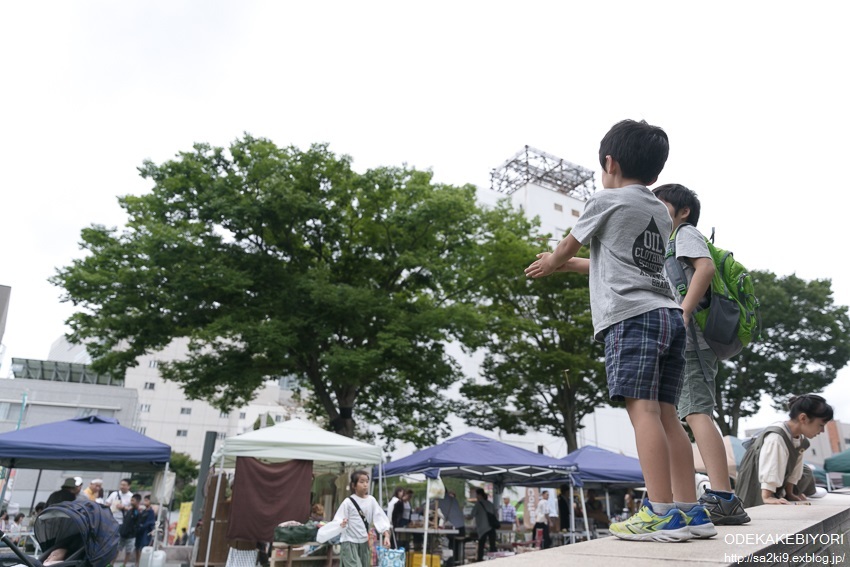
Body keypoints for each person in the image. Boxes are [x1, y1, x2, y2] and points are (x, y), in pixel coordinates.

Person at [525, 119, 714, 543]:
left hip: (630, 317)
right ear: (655, 172)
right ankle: (690, 511)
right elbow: (621, 259)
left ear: (609, 163)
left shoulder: (603, 200)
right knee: (668, 415)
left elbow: (568, 244)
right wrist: (572, 266)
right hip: (667, 314)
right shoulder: (658, 211)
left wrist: (554, 262)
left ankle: (660, 512)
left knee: (642, 411)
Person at [653, 183, 751, 526]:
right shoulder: (665, 244)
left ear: (683, 212)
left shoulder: (684, 233)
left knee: (696, 413)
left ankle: (723, 498)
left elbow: (705, 269)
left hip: (692, 342)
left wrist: (683, 311)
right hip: (686, 342)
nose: (652, 207)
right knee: (690, 414)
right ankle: (718, 496)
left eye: (659, 203)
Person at [737, 394, 833, 507]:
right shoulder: (777, 437)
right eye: (820, 425)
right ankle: (766, 495)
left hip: (776, 474)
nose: (822, 431)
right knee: (756, 501)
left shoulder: (801, 440)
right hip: (757, 475)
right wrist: (767, 497)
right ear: (803, 418)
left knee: (806, 471)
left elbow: (795, 469)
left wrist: (790, 493)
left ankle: (785, 493)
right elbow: (770, 466)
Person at [332, 470, 391, 567]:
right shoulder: (348, 502)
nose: (365, 485)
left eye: (367, 482)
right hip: (349, 543)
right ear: (353, 485)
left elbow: (380, 518)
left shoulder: (371, 500)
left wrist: (386, 536)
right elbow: (338, 520)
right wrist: (342, 523)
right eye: (361, 482)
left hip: (364, 544)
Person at [472, 488, 497, 561]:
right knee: (492, 545)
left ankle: (480, 561)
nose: (476, 496)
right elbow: (496, 515)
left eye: (476, 495)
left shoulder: (478, 504)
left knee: (481, 546)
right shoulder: (490, 504)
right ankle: (494, 560)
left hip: (482, 528)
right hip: (491, 527)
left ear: (479, 495)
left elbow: (471, 515)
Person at [135, 495, 156, 566]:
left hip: (146, 532)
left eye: (147, 500)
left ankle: (141, 563)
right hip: (139, 532)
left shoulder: (151, 512)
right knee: (137, 548)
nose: (145, 502)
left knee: (142, 548)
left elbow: (151, 522)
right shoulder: (143, 511)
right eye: (144, 500)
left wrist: (143, 527)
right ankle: (137, 563)